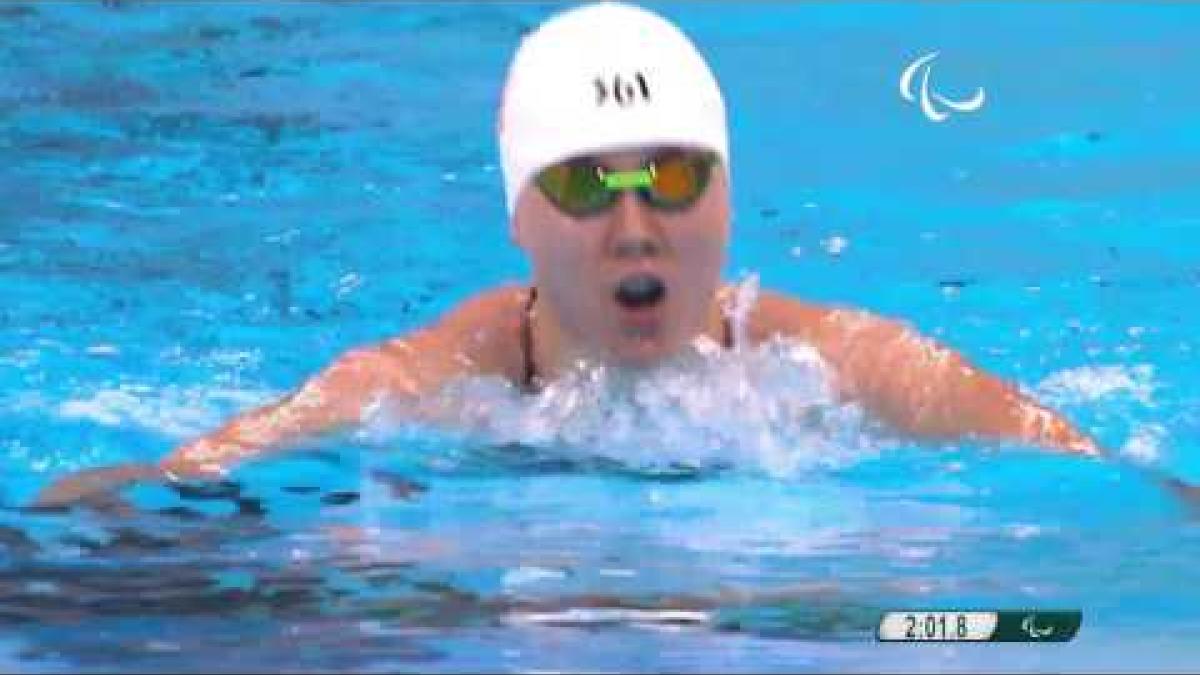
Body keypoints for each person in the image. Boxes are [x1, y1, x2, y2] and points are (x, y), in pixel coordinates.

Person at [36, 1, 1100, 507]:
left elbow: (1101, 481)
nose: (635, 225)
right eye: (586, 183)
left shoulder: (842, 363)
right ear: (519, 217)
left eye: (674, 176)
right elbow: (195, 473)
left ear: (728, 200)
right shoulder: (440, 379)